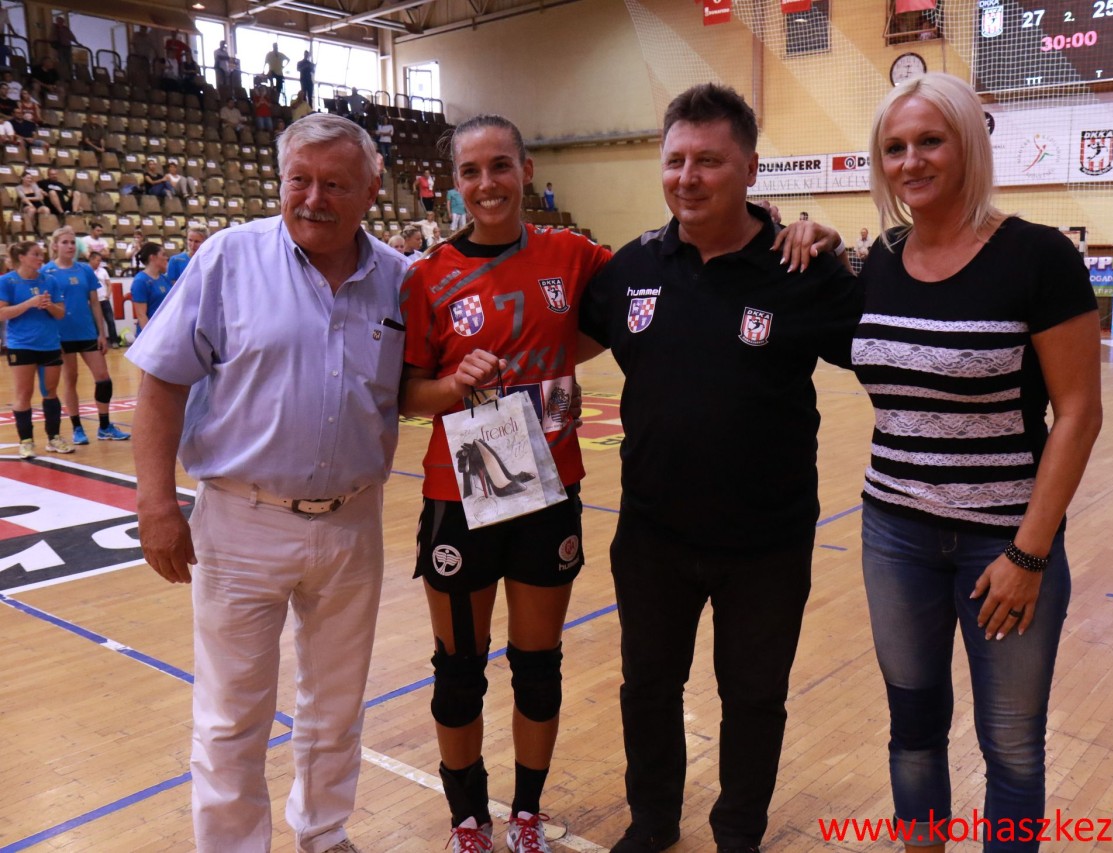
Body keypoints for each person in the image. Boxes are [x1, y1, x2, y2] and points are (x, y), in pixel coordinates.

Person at [577, 83, 860, 853]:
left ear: (751, 169)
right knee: (648, 689)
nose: (688, 177)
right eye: (675, 160)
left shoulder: (800, 267)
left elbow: (887, 332)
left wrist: (839, 242)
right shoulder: (633, 266)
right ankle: (653, 822)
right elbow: (558, 334)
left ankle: (739, 833)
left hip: (767, 543)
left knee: (754, 698)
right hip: (651, 536)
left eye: (709, 160)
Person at [128, 111, 407, 853]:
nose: (313, 199)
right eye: (299, 180)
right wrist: (155, 503)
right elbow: (161, 381)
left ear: (372, 188)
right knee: (231, 713)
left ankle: (323, 830)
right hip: (240, 518)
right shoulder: (229, 259)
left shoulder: (400, 279)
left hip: (353, 519)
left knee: (337, 702)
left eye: (335, 184)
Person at [854, 72, 1102, 853]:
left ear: (968, 145)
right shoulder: (878, 261)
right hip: (894, 535)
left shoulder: (1038, 256)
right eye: (895, 147)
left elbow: (1079, 413)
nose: (911, 161)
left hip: (1006, 543)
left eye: (930, 141)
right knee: (913, 730)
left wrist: (1029, 553)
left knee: (1013, 748)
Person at [398, 112, 612, 853]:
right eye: (470, 171)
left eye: (500, 166)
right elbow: (409, 395)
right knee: (459, 671)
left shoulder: (573, 254)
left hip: (546, 489)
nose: (486, 183)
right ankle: (468, 820)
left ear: (526, 171)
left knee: (537, 667)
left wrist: (786, 230)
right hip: (460, 492)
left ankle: (525, 812)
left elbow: (649, 284)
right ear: (453, 183)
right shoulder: (427, 275)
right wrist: (456, 383)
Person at [43, 227, 129, 444]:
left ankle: (104, 426)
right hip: (62, 335)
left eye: (73, 242)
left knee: (103, 378)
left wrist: (102, 333)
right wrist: (51, 337)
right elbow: (46, 308)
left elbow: (95, 303)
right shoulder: (46, 271)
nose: (70, 246)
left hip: (87, 332)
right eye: (65, 242)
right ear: (55, 245)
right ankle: (77, 428)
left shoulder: (85, 270)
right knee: (70, 379)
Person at [0, 240, 72, 458]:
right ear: (21, 257)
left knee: (50, 391)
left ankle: (54, 438)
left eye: (41, 254)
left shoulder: (50, 280)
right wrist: (30, 303)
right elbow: (2, 313)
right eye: (36, 254)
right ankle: (26, 441)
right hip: (21, 344)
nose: (41, 258)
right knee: (24, 393)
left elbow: (61, 314)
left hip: (49, 343)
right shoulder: (7, 281)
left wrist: (49, 305)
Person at [129, 242, 170, 329]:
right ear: (153, 257)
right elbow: (141, 315)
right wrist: (150, 336)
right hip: (153, 331)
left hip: (165, 329)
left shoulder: (165, 278)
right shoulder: (140, 281)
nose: (166, 258)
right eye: (163, 255)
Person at [87, 250, 120, 347]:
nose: (99, 263)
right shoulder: (86, 271)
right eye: (97, 260)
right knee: (95, 322)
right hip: (93, 301)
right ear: (91, 260)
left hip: (104, 299)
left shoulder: (103, 271)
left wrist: (107, 295)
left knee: (110, 320)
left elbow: (109, 284)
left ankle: (114, 341)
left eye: (100, 260)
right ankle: (98, 342)